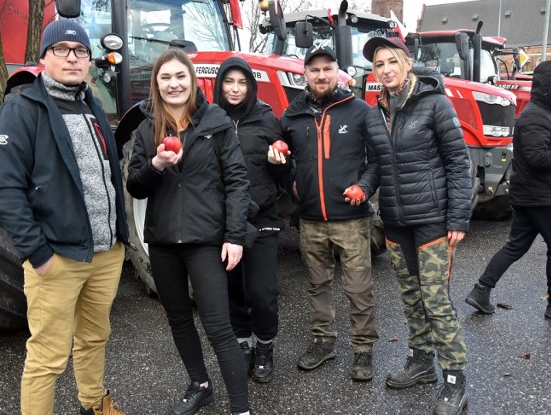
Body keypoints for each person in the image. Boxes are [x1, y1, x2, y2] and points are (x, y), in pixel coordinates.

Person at [0, 19, 128, 415]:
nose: (72, 57)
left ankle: (94, 404)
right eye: (61, 49)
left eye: (80, 51)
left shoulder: (92, 105)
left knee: (94, 338)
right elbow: (4, 189)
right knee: (48, 356)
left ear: (89, 60)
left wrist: (119, 239)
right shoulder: (22, 109)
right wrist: (37, 252)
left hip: (104, 253)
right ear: (44, 57)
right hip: (57, 259)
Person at [126, 48, 253, 415]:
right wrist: (155, 164)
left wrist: (234, 236)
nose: (173, 84)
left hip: (205, 240)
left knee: (218, 327)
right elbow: (136, 186)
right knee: (178, 319)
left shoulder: (215, 122)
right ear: (157, 84)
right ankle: (200, 384)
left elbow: (236, 181)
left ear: (192, 80)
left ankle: (241, 409)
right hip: (164, 242)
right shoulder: (147, 129)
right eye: (165, 78)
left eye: (180, 76)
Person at [363, 36, 471, 415]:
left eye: (391, 61)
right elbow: (377, 164)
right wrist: (362, 189)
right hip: (395, 222)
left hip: (432, 221)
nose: (386, 69)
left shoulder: (435, 103)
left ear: (407, 63)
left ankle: (455, 380)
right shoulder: (377, 110)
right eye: (379, 64)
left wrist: (459, 216)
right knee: (411, 298)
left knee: (436, 300)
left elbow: (459, 161)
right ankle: (422, 361)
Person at [280, 45, 378, 382]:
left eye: (327, 68)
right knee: (317, 284)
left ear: (338, 72)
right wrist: (291, 180)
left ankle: (363, 350)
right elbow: (281, 159)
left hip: (351, 219)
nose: (321, 75)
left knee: (357, 287)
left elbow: (377, 160)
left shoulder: (359, 111)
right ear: (304, 74)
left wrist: (364, 187)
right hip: (310, 220)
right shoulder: (291, 116)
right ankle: (324, 342)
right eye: (314, 70)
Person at [466, 60, 551, 321]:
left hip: (530, 194)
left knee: (516, 246)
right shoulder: (536, 116)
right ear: (546, 86)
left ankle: (481, 290)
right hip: (544, 197)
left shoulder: (543, 113)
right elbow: (538, 158)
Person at [213, 57, 290, 383]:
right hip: (224, 220)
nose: (234, 88)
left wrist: (279, 163)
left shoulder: (267, 119)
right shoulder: (210, 120)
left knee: (262, 292)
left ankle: (264, 347)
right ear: (219, 85)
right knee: (232, 290)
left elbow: (287, 173)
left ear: (251, 86)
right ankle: (242, 344)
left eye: (241, 82)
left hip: (261, 217)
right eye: (229, 82)